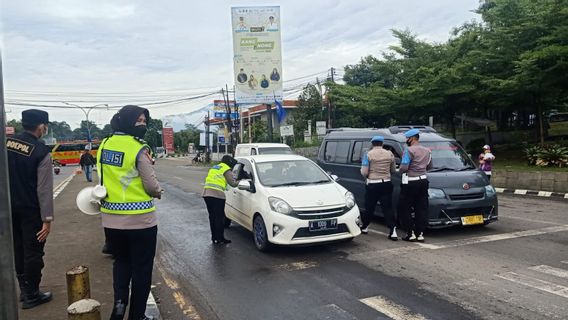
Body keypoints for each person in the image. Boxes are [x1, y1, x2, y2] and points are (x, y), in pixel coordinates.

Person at [97, 105, 163, 320]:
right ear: (128, 121)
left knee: (121, 263)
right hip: (141, 222)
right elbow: (151, 185)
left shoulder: (105, 145)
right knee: (142, 271)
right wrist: (159, 192)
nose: (142, 124)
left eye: (144, 120)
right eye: (139, 120)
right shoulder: (139, 148)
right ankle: (137, 316)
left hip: (111, 221)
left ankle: (118, 309)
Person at [7, 109, 54, 309]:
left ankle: (24, 291)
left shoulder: (6, 144)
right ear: (41, 126)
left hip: (8, 210)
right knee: (33, 251)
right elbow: (43, 190)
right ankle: (32, 294)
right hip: (30, 210)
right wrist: (47, 219)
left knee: (18, 249)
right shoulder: (41, 151)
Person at [397, 129, 432, 242]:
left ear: (412, 138)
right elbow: (430, 166)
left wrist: (399, 170)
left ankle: (410, 233)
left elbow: (404, 167)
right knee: (421, 208)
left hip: (410, 182)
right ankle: (420, 233)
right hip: (423, 180)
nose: (406, 140)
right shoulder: (427, 150)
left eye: (407, 138)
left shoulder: (408, 150)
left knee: (405, 207)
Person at [360, 136, 397, 240]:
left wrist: (366, 175)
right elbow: (393, 170)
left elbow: (364, 172)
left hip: (373, 184)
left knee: (369, 207)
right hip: (386, 183)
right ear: (382, 143)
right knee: (388, 208)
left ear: (372, 143)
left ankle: (365, 227)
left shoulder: (368, 154)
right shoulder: (389, 154)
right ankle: (393, 230)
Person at [202, 155, 239, 244]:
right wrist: (241, 181)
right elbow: (233, 183)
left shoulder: (215, 167)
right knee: (220, 217)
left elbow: (222, 183)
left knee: (212, 217)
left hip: (206, 194)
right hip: (217, 195)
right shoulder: (226, 169)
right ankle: (220, 238)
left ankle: (214, 237)